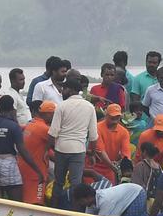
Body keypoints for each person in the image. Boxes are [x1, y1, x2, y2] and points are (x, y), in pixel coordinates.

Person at [0, 95, 45, 202]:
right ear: (12, 109)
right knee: (15, 203)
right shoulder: (14, 126)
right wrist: (38, 170)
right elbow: (22, 151)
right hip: (9, 163)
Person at [48, 77, 98, 207]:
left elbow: (53, 132)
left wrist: (51, 149)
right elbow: (93, 136)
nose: (62, 91)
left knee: (58, 182)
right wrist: (92, 153)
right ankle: (76, 213)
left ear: (71, 90)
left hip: (61, 149)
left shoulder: (61, 106)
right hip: (78, 150)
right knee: (76, 184)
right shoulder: (89, 107)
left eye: (64, 89)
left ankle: (54, 210)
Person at [19, 100, 55, 204]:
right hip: (37, 171)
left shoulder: (31, 123)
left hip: (25, 168)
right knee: (36, 203)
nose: (55, 117)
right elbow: (58, 145)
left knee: (26, 200)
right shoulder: (44, 129)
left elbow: (42, 147)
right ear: (48, 114)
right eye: (54, 114)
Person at [70, 179, 148, 216]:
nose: (80, 204)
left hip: (137, 194)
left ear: (88, 197)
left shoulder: (105, 200)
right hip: (127, 195)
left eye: (81, 201)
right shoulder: (90, 203)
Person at [94, 103, 132, 183]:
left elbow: (126, 154)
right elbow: (100, 151)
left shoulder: (124, 132)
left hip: (110, 168)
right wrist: (114, 168)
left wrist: (124, 166)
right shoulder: (97, 128)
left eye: (117, 116)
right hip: (94, 166)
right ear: (106, 115)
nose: (115, 118)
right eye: (112, 116)